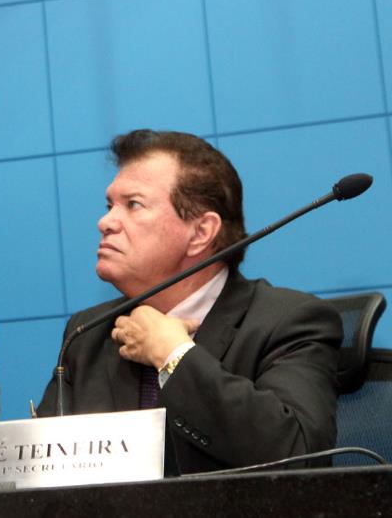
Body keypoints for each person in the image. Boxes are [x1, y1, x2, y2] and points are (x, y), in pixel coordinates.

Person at [36, 129, 341, 474]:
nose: (105, 222)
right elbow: (45, 475)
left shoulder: (290, 322)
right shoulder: (86, 333)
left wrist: (174, 355)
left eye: (133, 204)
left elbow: (299, 455)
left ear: (200, 233)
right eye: (109, 206)